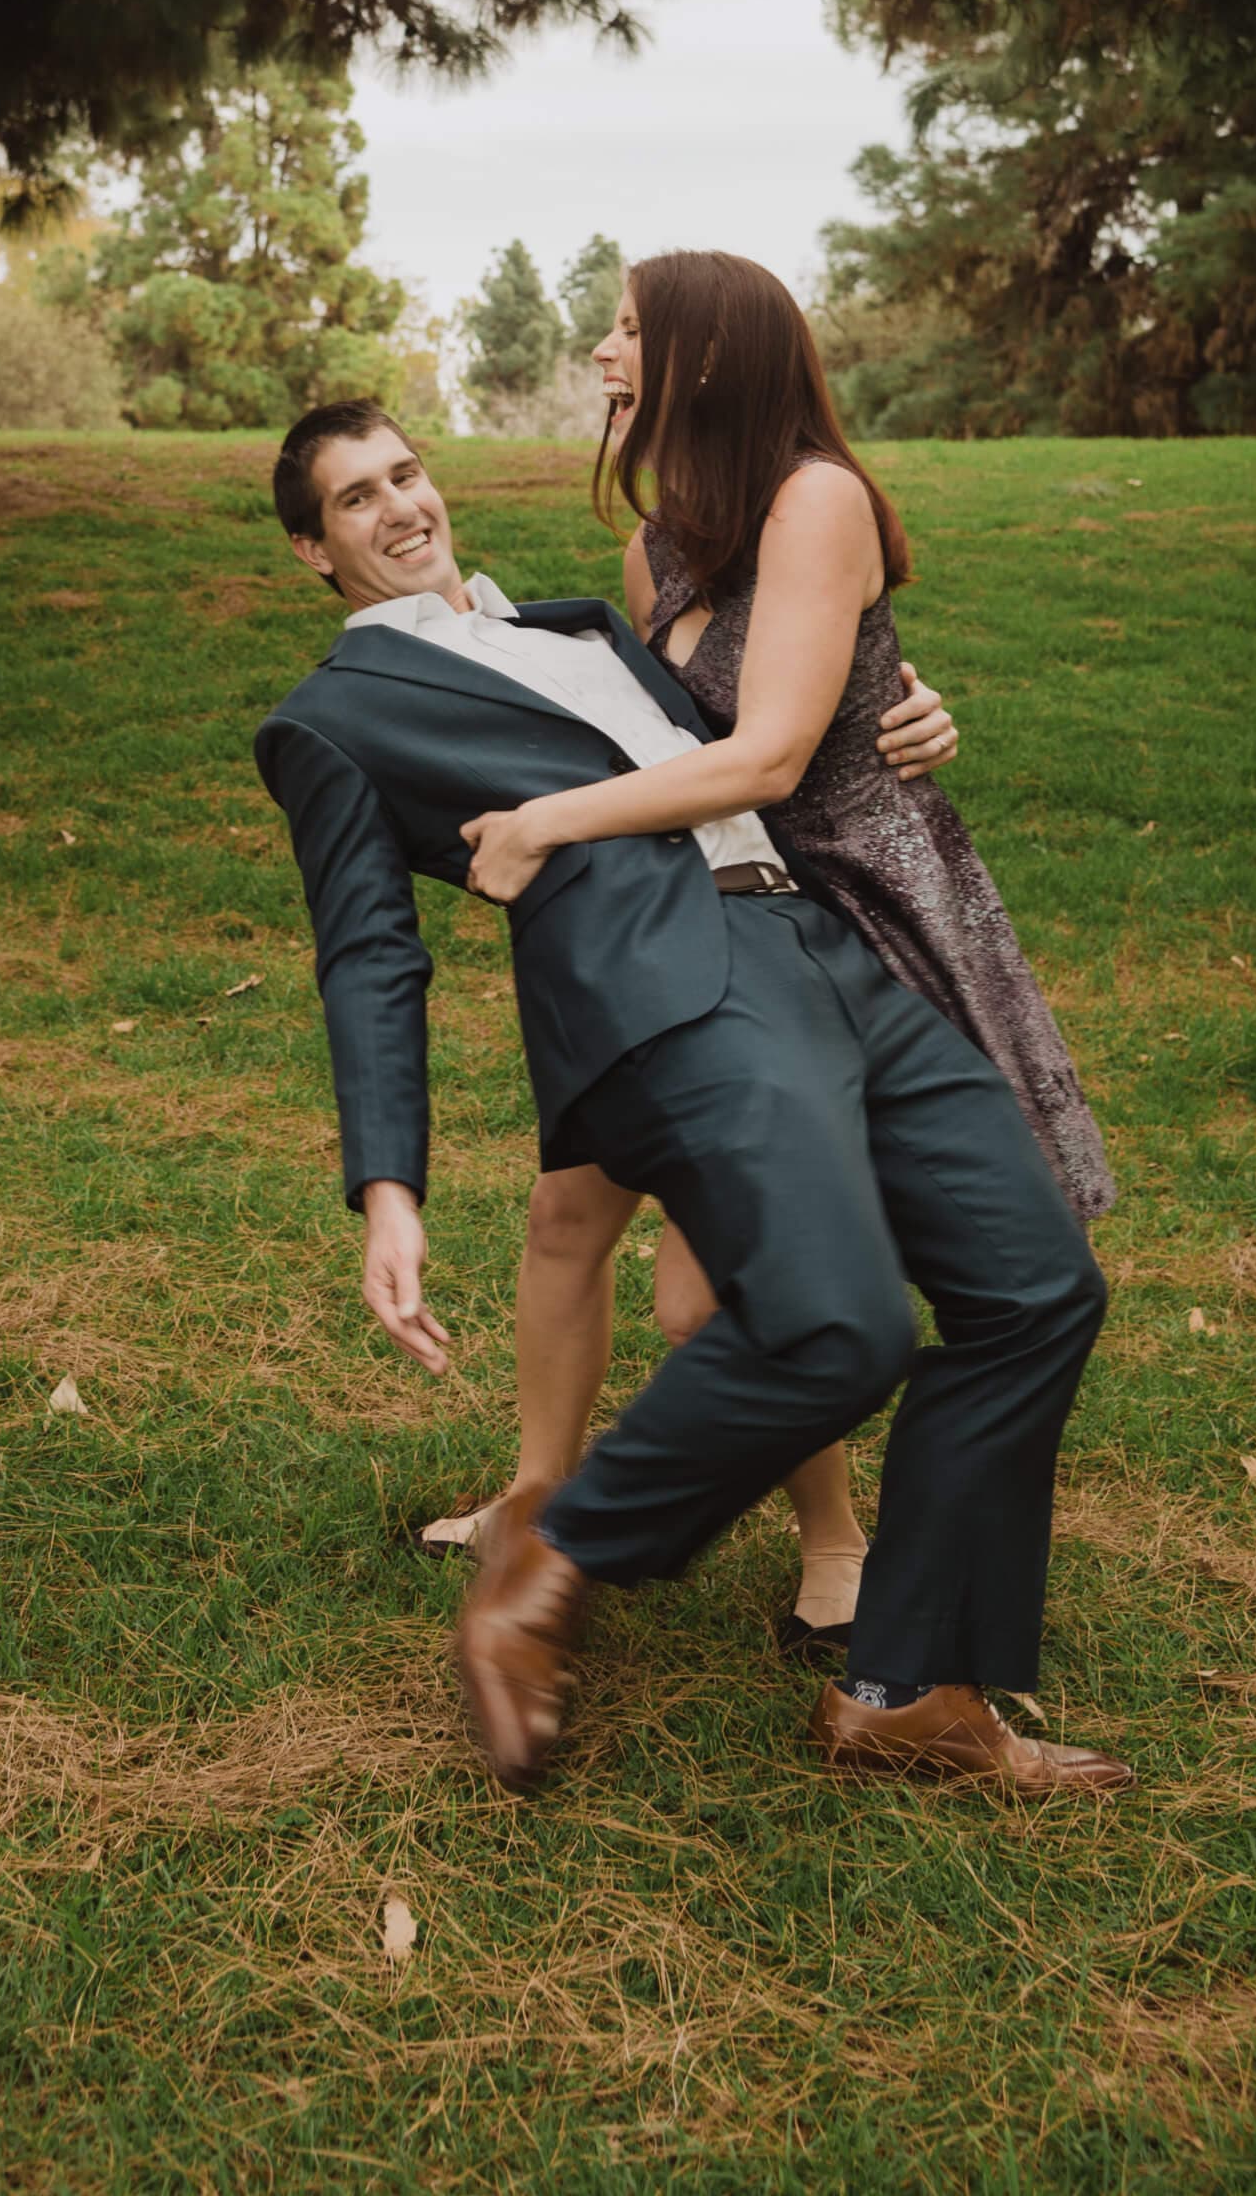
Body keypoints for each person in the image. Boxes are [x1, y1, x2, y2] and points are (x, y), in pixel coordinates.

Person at [254, 396, 1132, 1799]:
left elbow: (768, 726)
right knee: (835, 1323)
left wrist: (904, 714)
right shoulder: (330, 717)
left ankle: (904, 1693)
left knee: (1036, 1288)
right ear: (314, 550)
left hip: (824, 940)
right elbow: (367, 954)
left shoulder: (582, 630)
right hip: (669, 982)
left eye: (405, 473)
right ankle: (550, 1558)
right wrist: (388, 1188)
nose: (400, 507)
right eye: (356, 498)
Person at [439, 252, 1116, 1660]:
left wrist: (547, 824)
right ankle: (581, 1525)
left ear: (701, 357)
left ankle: (804, 1562)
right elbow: (668, 741)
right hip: (735, 920)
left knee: (757, 1295)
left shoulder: (818, 500)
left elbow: (769, 754)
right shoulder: (661, 546)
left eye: (630, 330)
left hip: (865, 906)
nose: (603, 352)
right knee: (674, 1263)